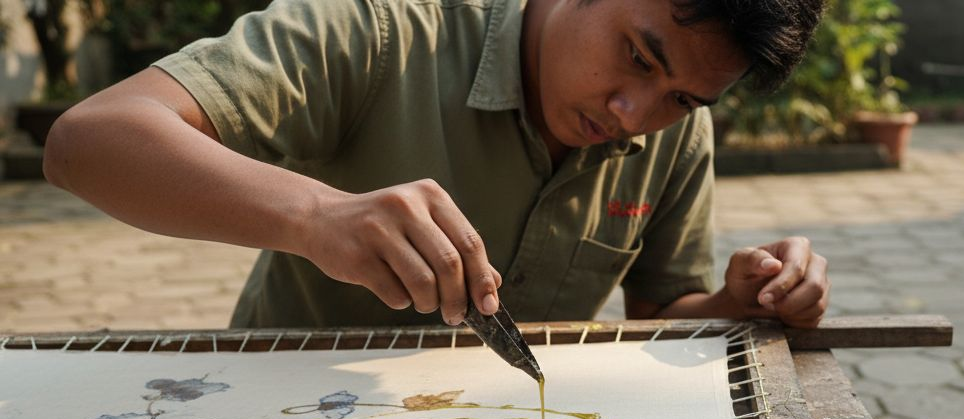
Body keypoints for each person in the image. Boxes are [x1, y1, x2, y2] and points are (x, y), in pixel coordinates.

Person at [44, 0, 831, 329]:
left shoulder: (674, 134)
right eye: (635, 56)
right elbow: (91, 140)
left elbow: (660, 321)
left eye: (684, 98)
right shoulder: (382, 32)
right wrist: (316, 218)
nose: (634, 114)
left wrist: (737, 302)